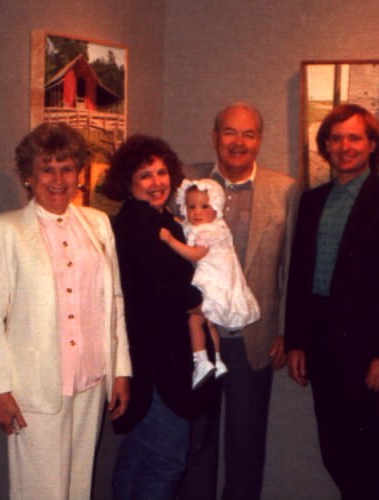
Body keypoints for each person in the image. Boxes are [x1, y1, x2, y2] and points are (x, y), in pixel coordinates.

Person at [0, 122, 132, 500]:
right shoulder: (6, 229)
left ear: (80, 173)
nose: (58, 179)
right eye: (47, 169)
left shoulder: (98, 225)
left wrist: (121, 371)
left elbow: (114, 302)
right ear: (29, 176)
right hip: (35, 387)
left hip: (92, 380)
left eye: (67, 168)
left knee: (78, 489)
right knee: (40, 492)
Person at [285, 103, 379, 500]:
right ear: (326, 146)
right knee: (335, 452)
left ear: (371, 145)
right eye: (336, 138)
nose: (345, 146)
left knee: (376, 460)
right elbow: (300, 276)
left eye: (354, 137)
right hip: (322, 347)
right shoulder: (312, 201)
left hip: (372, 355)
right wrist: (297, 339)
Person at [177, 102, 300, 500]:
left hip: (254, 337)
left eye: (248, 134)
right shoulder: (185, 182)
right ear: (215, 137)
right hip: (197, 339)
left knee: (246, 447)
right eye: (229, 132)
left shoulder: (285, 190)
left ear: (259, 141)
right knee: (197, 443)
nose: (238, 142)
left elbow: (293, 267)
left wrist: (288, 331)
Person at [102, 134, 217, 499]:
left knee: (141, 456)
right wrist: (202, 298)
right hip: (157, 365)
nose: (157, 183)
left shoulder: (158, 219)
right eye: (145, 176)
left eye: (162, 172)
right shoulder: (139, 225)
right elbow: (163, 292)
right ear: (128, 183)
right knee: (165, 460)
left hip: (153, 362)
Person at [161, 178, 261, 389]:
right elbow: (186, 226)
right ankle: (216, 359)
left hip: (212, 283)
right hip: (218, 281)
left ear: (216, 207)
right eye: (191, 207)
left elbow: (195, 254)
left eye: (204, 206)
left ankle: (201, 362)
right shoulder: (210, 226)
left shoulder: (208, 231)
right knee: (209, 324)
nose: (197, 212)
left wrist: (171, 241)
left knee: (195, 320)